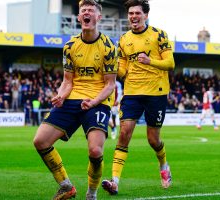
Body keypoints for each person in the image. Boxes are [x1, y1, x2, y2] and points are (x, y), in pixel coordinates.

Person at [32, 0, 117, 199]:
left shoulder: (109, 47)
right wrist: (61, 95)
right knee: (40, 141)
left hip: (98, 100)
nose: (86, 13)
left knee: (95, 151)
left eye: (91, 10)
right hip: (72, 98)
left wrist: (94, 102)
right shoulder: (70, 46)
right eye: (83, 11)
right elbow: (67, 81)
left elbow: (110, 85)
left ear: (98, 17)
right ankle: (65, 185)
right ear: (79, 17)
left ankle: (92, 193)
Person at [102, 0, 175, 195]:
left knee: (153, 140)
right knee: (124, 134)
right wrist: (114, 69)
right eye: (131, 13)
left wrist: (150, 61)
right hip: (132, 92)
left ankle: (163, 166)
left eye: (137, 13)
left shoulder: (159, 35)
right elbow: (123, 68)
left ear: (145, 15)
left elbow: (170, 63)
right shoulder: (124, 39)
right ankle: (115, 181)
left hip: (156, 92)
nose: (133, 16)